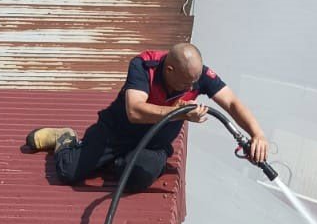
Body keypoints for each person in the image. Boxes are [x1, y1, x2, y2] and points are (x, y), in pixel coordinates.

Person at [25, 42, 269, 192]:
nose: (191, 87)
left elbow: (232, 103)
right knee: (69, 172)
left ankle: (118, 163)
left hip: (153, 144)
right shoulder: (144, 66)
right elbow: (135, 110)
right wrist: (180, 111)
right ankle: (65, 139)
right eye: (186, 83)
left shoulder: (198, 76)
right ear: (169, 69)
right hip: (115, 133)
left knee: (138, 178)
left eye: (194, 82)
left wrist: (257, 134)